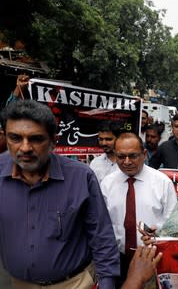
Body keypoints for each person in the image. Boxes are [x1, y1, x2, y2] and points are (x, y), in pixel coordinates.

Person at [0, 100, 119, 288]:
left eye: (36, 139)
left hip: (74, 284)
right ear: (5, 137)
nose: (24, 148)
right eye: (15, 138)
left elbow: (101, 235)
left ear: (54, 141)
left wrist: (108, 281)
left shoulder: (81, 177)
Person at [101, 132, 177, 285]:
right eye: (121, 157)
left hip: (153, 258)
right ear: (115, 156)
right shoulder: (107, 184)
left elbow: (174, 222)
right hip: (117, 260)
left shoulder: (162, 182)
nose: (127, 162)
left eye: (133, 156)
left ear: (144, 154)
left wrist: (158, 231)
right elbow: (103, 224)